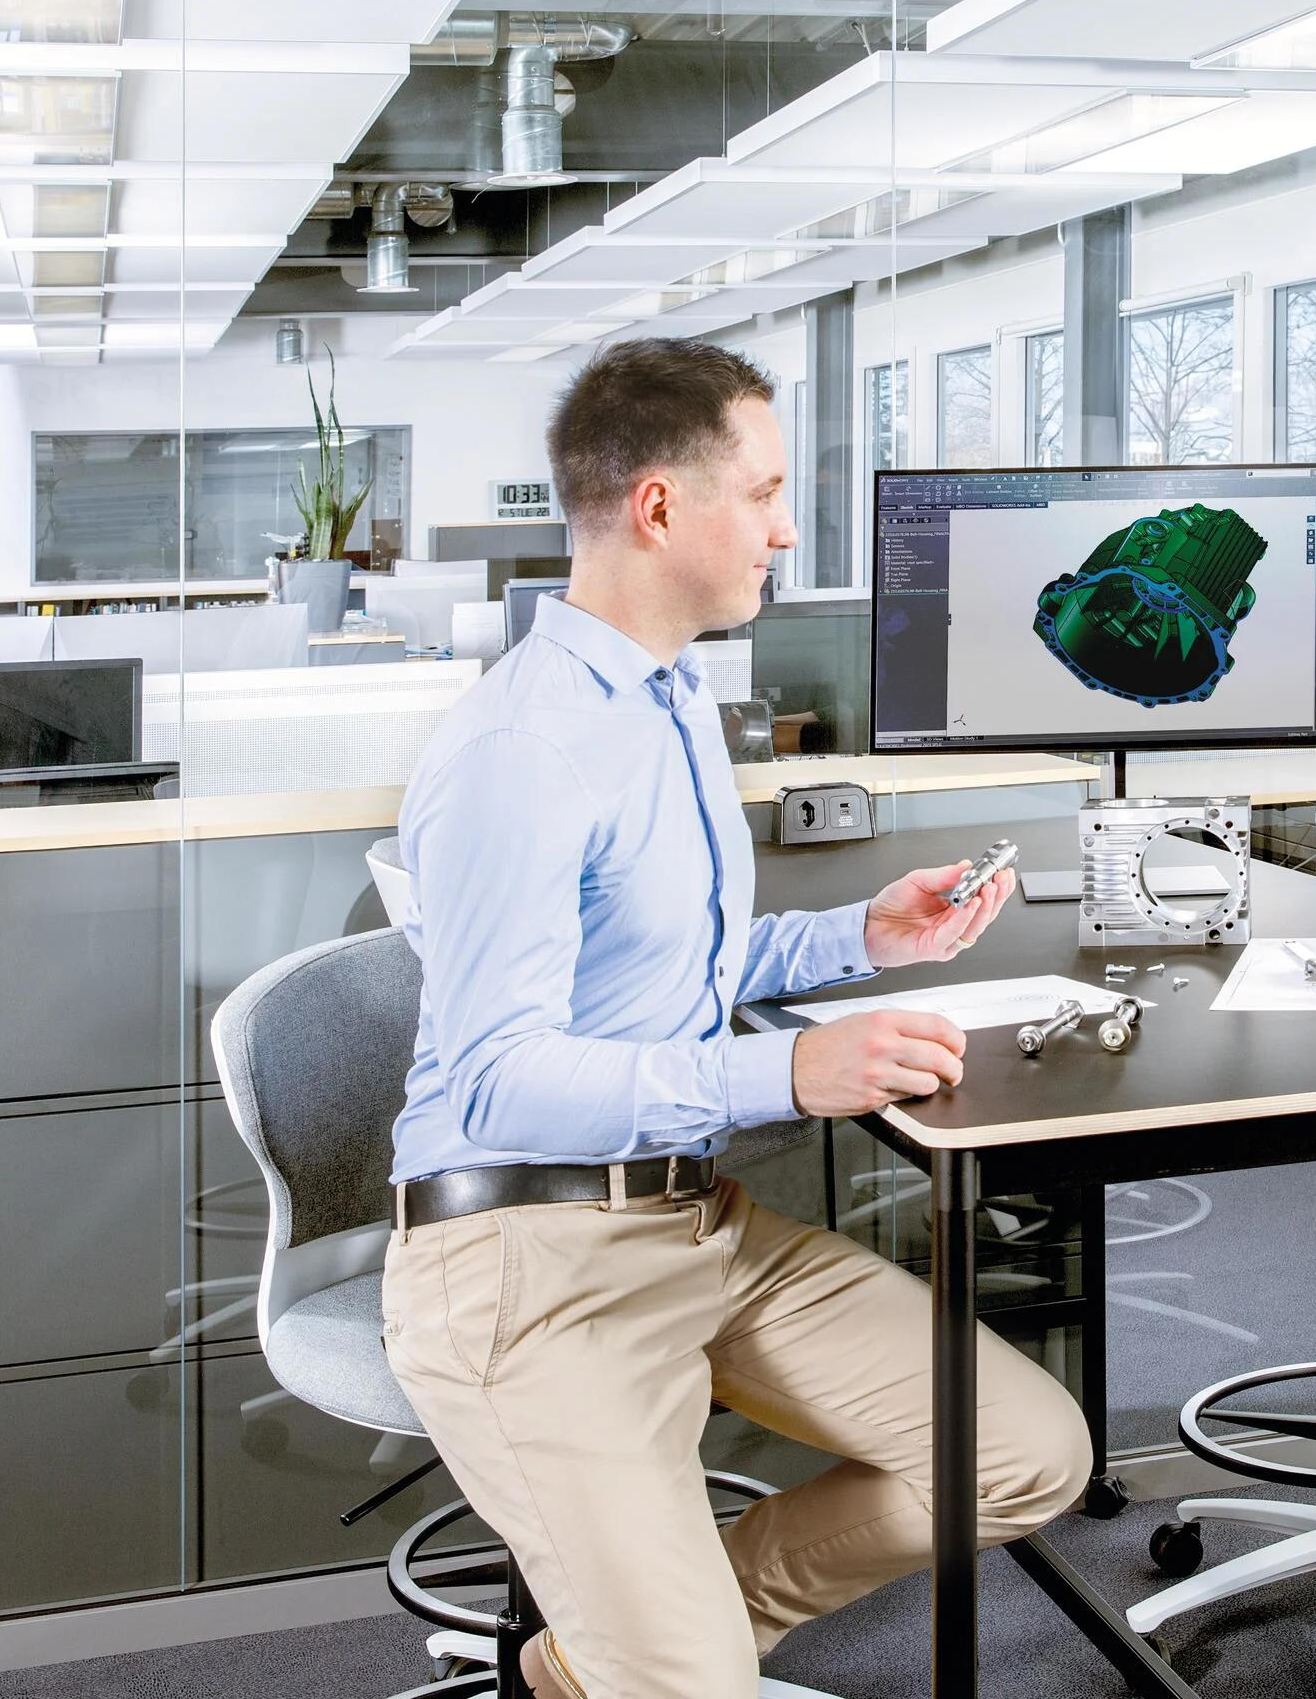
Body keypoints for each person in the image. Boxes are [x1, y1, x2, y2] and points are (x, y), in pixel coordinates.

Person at [382, 338, 1092, 1699]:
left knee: (1027, 1452)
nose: (785, 528)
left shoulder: (669, 698)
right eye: (764, 494)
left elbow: (658, 969)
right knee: (692, 1684)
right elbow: (502, 1080)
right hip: (527, 1268)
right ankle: (669, 1661)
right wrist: (791, 1069)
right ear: (660, 508)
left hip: (690, 1227)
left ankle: (648, 1648)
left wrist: (858, 938)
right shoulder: (521, 752)